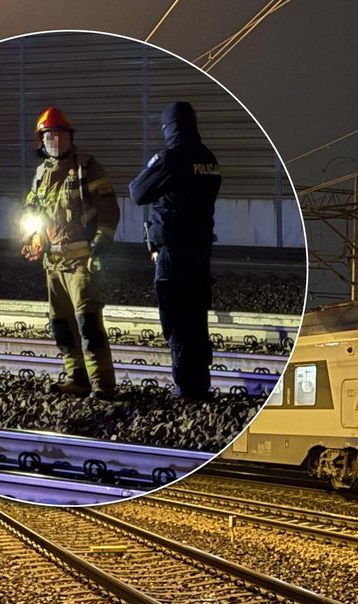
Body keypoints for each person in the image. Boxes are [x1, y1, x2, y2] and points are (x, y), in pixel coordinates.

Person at [21, 107, 120, 399]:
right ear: (41, 140)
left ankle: (102, 385)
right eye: (50, 135)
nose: (56, 141)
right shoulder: (40, 175)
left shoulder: (86, 168)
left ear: (70, 138)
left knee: (87, 323)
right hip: (52, 264)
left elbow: (108, 208)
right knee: (61, 326)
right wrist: (31, 239)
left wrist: (102, 241)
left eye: (61, 135)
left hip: (81, 262)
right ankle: (77, 378)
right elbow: (32, 212)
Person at [129, 101, 221, 400]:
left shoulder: (171, 158)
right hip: (200, 250)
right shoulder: (208, 159)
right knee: (196, 317)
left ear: (169, 127)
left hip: (174, 252)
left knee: (176, 319)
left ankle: (184, 388)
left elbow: (138, 192)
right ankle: (200, 384)